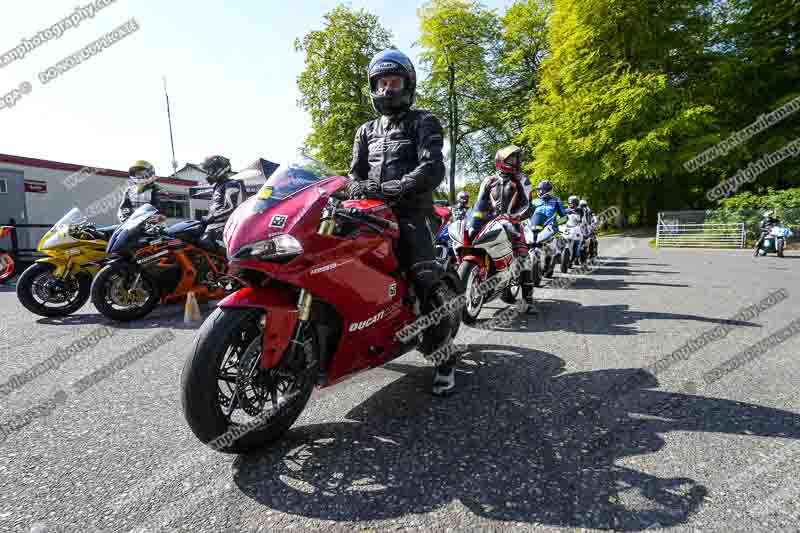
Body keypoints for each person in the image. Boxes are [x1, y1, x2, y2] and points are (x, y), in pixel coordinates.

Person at [347, 49, 454, 396]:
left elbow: (433, 166)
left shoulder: (424, 121)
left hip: (412, 212)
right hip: (370, 213)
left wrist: (402, 185)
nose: (386, 89)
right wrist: (355, 188)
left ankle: (443, 359)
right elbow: (354, 174)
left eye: (393, 82)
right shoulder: (364, 130)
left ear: (408, 84)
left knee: (426, 279)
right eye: (380, 83)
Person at [471, 145, 536, 314]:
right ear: (501, 160)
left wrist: (514, 217)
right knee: (472, 244)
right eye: (512, 159)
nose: (517, 162)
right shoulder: (488, 181)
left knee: (523, 257)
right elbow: (479, 203)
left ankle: (528, 301)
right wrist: (473, 222)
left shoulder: (522, 179)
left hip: (512, 223)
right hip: (489, 223)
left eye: (517, 159)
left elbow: (528, 205)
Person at [197, 155, 246, 255]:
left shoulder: (232, 184)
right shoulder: (217, 186)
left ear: (220, 169)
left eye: (210, 169)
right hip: (216, 223)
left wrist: (210, 218)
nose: (208, 173)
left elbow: (231, 208)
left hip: (228, 225)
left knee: (205, 241)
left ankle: (231, 265)